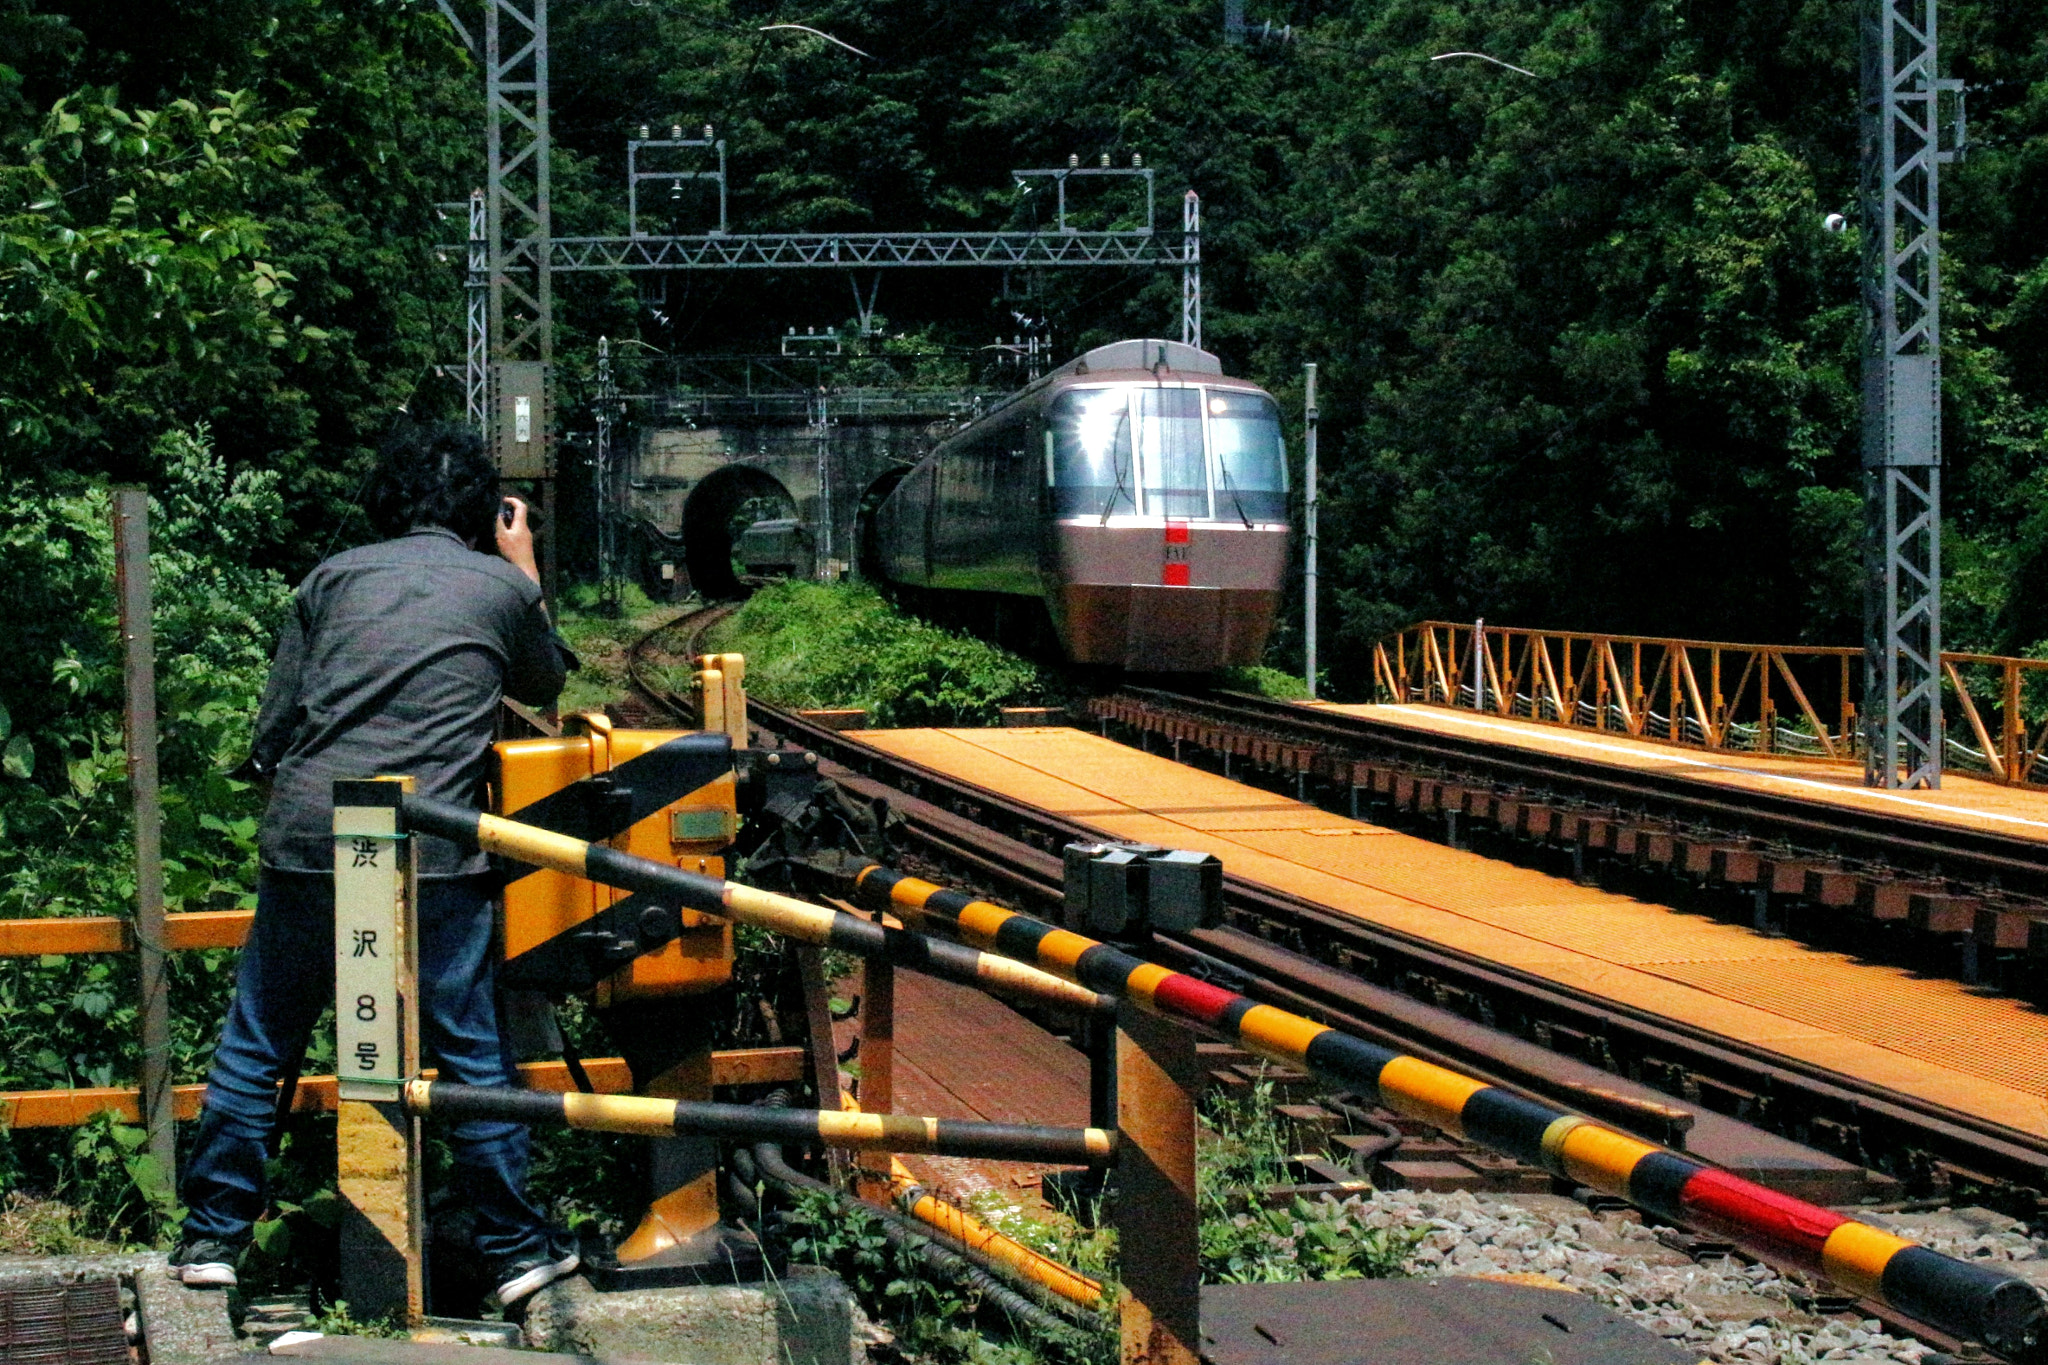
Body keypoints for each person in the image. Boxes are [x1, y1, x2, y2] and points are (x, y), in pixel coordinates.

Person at [172, 423, 580, 1310]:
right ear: (485, 509)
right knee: (470, 1054)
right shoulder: (501, 589)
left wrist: (270, 777)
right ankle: (515, 1249)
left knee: (260, 1042)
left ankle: (213, 1236)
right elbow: (545, 686)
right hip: (429, 847)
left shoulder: (331, 577)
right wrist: (524, 566)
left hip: (313, 836)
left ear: (387, 500)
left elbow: (275, 725)